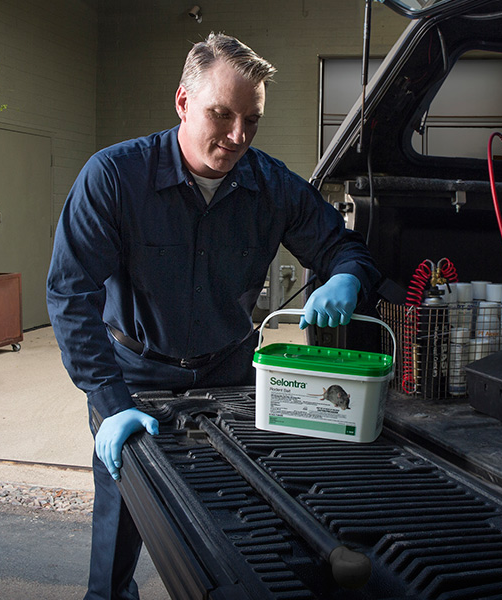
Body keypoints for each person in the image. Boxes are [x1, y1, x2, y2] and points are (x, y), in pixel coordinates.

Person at [46, 33, 380, 600]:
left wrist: (347, 275)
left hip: (230, 373)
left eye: (251, 120)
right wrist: (109, 403)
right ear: (182, 102)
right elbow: (70, 295)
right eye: (221, 115)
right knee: (121, 531)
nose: (236, 136)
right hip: (136, 377)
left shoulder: (272, 186)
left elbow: (344, 249)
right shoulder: (114, 178)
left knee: (236, 522)